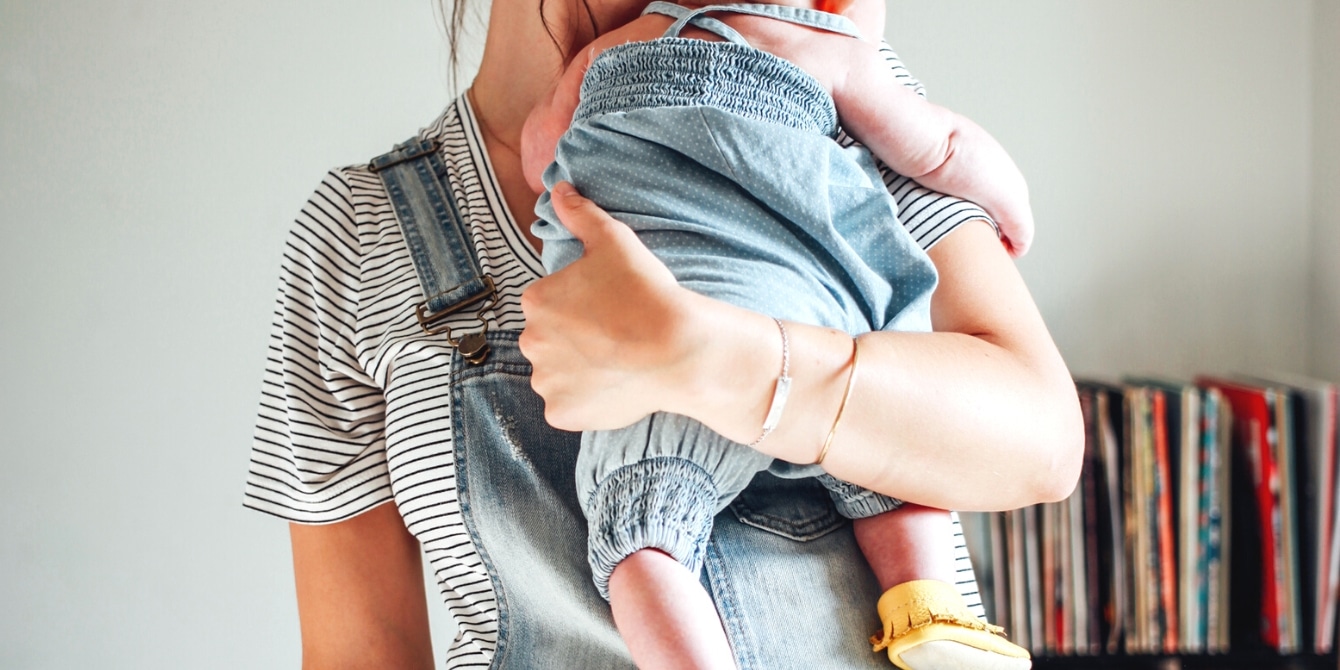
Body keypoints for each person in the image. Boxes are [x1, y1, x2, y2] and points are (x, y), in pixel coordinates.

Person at [242, 0, 1084, 667]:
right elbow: (361, 656)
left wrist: (708, 358)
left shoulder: (818, 78)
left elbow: (1041, 441)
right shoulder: (364, 231)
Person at [516, 0, 1034, 667]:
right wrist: (1014, 209)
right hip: (817, 331)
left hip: (637, 352)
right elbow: (942, 148)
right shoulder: (831, 48)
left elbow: (541, 153)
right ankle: (925, 605)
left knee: (646, 550)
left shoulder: (617, 46)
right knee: (894, 466)